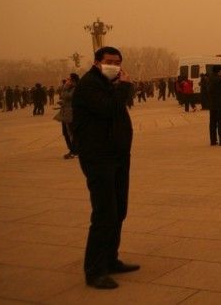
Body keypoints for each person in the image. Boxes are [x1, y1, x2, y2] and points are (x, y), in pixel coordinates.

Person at [72, 47, 139, 289]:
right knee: (104, 213)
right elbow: (108, 109)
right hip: (99, 158)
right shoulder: (90, 84)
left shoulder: (111, 83)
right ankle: (95, 270)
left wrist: (123, 87)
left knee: (119, 210)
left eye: (118, 62)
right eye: (110, 61)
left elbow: (120, 107)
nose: (115, 66)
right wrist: (122, 87)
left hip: (118, 155)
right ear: (97, 62)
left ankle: (111, 259)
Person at [58, 73, 79, 159]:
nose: (67, 81)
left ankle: (74, 151)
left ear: (73, 80)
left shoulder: (75, 88)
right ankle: (72, 149)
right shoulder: (70, 88)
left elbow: (67, 96)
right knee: (66, 133)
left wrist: (65, 87)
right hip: (66, 112)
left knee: (71, 133)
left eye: (69, 79)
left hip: (71, 113)